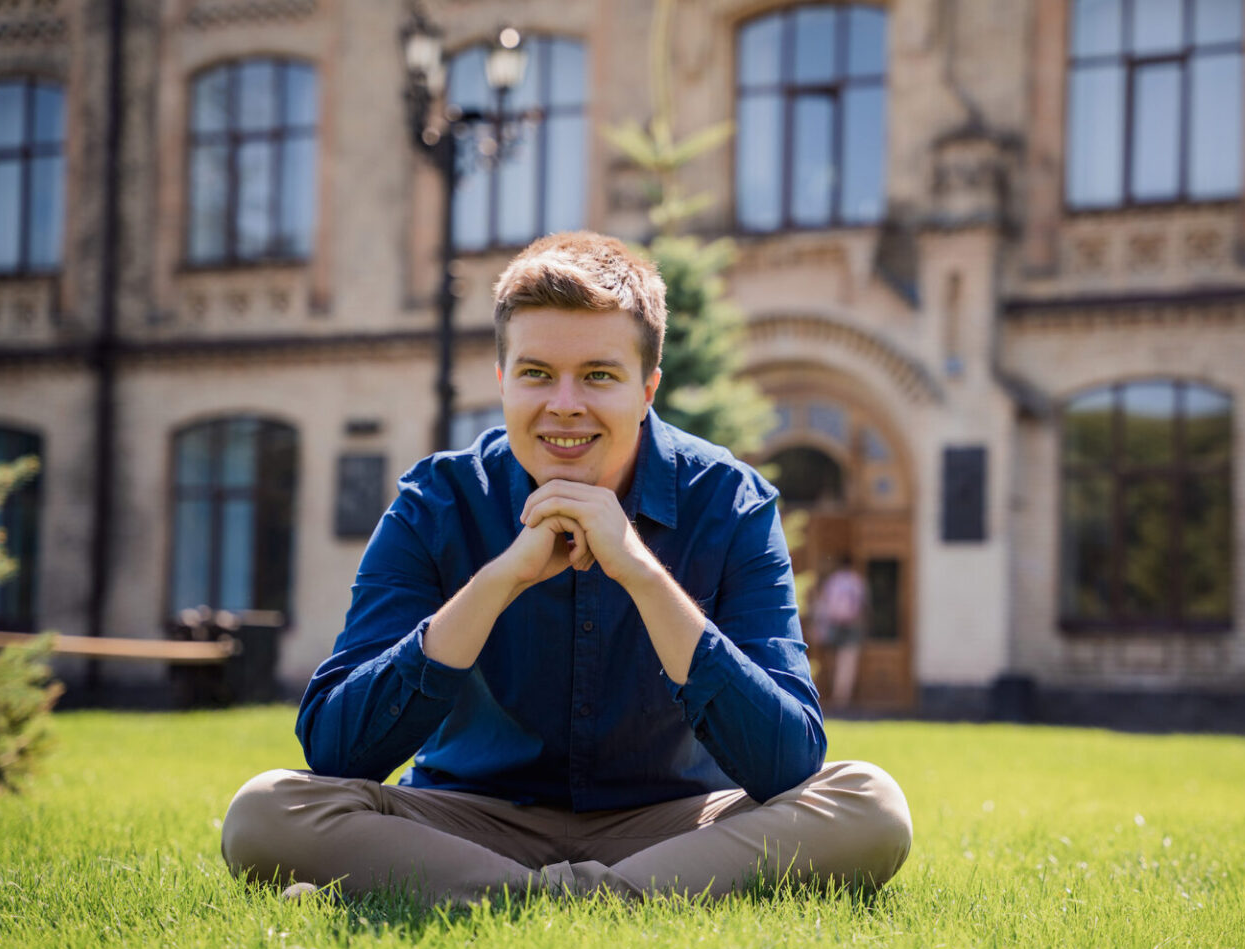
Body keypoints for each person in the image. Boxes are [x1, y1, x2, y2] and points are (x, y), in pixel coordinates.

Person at [220, 231, 912, 904]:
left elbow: (787, 760)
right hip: (470, 820)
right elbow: (337, 748)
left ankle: (532, 899)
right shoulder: (436, 502)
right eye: (536, 374)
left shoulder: (730, 504)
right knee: (263, 812)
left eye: (600, 376)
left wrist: (639, 569)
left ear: (647, 389)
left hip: (675, 825)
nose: (565, 405)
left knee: (871, 805)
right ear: (503, 381)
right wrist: (500, 580)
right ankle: (595, 899)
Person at [813, 557, 866, 711]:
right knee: (847, 660)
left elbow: (824, 602)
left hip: (833, 623)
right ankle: (842, 695)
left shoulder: (833, 580)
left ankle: (834, 690)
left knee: (833, 659)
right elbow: (862, 603)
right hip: (851, 624)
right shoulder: (856, 580)